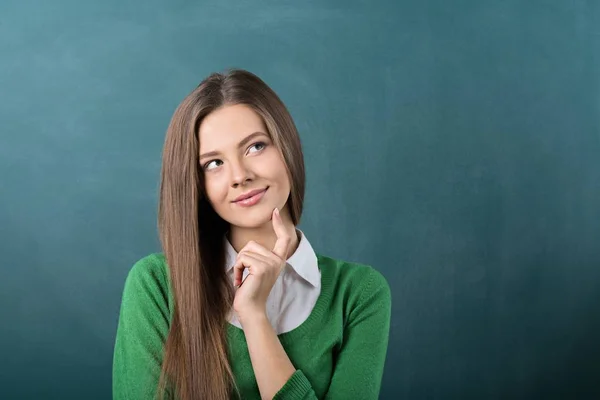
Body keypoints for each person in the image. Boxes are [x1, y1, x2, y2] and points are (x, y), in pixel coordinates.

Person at [112, 69, 392, 400]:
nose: (239, 176)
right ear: (197, 185)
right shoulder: (156, 285)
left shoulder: (359, 294)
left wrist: (254, 315)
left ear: (287, 145)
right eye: (213, 164)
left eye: (256, 146)